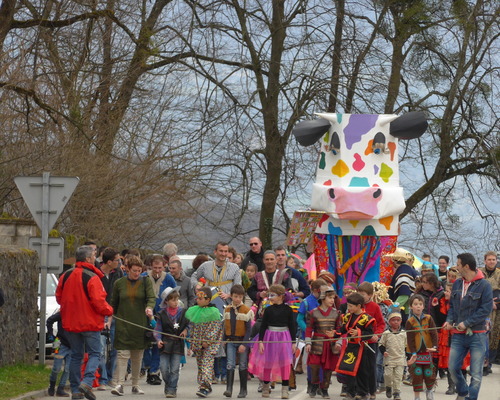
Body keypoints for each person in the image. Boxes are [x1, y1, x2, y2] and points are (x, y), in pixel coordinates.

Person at [55, 245, 114, 400]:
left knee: (76, 355)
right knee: (95, 353)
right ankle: (87, 382)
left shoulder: (65, 275)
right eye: (94, 256)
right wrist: (109, 311)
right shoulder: (92, 277)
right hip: (89, 322)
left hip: (71, 322)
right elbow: (99, 302)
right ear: (88, 259)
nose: (95, 258)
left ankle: (76, 389)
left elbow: (59, 298)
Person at [442, 253, 493, 400]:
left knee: (476, 374)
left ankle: (471, 398)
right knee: (452, 368)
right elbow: (452, 306)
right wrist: (449, 320)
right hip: (458, 334)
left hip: (477, 334)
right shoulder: (458, 283)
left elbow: (485, 310)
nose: (456, 267)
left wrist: (467, 323)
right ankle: (463, 391)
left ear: (466, 266)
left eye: (458, 264)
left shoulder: (485, 285)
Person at [110, 255, 156, 396]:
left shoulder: (145, 281)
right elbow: (113, 304)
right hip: (123, 324)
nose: (137, 273)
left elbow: (151, 298)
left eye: (139, 271)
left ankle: (135, 385)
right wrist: (109, 320)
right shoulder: (119, 283)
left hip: (140, 324)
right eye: (134, 270)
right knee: (122, 355)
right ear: (128, 269)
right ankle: (120, 384)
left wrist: (149, 308)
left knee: (137, 356)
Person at [248, 284, 296, 399]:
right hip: (269, 337)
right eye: (269, 295)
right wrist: (260, 341)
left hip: (284, 337)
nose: (270, 297)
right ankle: (266, 386)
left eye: (272, 295)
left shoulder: (288, 310)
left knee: (284, 363)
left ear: (281, 296)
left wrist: (293, 342)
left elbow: (292, 326)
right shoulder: (268, 310)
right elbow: (263, 326)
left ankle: (285, 389)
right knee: (267, 362)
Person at [335, 292, 375, 400]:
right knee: (349, 370)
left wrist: (358, 333)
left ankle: (363, 393)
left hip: (362, 348)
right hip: (350, 347)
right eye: (348, 305)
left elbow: (370, 334)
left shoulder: (367, 318)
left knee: (362, 371)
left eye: (351, 306)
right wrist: (334, 334)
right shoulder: (348, 316)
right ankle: (350, 393)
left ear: (358, 306)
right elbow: (343, 330)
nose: (348, 308)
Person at [186, 286, 223, 398]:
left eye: (201, 298)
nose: (198, 300)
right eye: (197, 298)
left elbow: (215, 328)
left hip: (209, 345)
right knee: (201, 365)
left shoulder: (214, 312)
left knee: (207, 363)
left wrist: (208, 340)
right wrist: (192, 342)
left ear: (208, 300)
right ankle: (205, 384)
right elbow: (193, 328)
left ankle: (205, 387)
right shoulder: (195, 311)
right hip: (198, 344)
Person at [304, 286, 341, 399]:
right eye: (330, 297)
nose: (332, 300)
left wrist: (338, 341)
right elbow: (309, 329)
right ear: (323, 298)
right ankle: (314, 386)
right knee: (314, 366)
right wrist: (308, 343)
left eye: (333, 298)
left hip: (330, 344)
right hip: (317, 343)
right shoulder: (313, 313)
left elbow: (339, 330)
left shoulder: (336, 313)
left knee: (328, 368)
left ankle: (324, 389)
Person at [154, 287, 189, 398]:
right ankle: (169, 385)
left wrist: (185, 330)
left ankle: (172, 389)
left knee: (174, 369)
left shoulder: (183, 313)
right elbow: (157, 329)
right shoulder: (161, 314)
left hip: (178, 344)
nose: (176, 302)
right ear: (166, 301)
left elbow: (189, 325)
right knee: (164, 368)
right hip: (165, 344)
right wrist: (158, 340)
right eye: (173, 300)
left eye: (177, 299)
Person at [223, 284, 254, 398]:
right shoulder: (227, 309)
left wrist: (244, 344)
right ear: (231, 296)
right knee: (230, 364)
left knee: (242, 365)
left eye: (240, 297)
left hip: (241, 341)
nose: (237, 299)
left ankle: (243, 390)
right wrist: (224, 339)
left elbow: (249, 330)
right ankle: (229, 389)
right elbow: (225, 326)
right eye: (235, 296)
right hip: (230, 341)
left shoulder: (246, 310)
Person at [99, 247, 124, 389]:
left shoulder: (118, 273)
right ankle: (102, 378)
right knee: (101, 348)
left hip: (115, 314)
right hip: (100, 315)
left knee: (115, 348)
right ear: (109, 262)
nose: (119, 262)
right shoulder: (96, 274)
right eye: (117, 260)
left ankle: (110, 377)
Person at [405, 294, 438, 400]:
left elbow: (434, 333)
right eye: (415, 304)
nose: (418, 306)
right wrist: (413, 352)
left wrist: (435, 346)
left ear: (423, 306)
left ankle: (429, 391)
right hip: (416, 354)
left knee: (429, 374)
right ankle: (417, 397)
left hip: (427, 352)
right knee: (417, 375)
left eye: (420, 304)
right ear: (411, 306)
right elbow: (409, 339)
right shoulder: (410, 322)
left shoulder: (428, 318)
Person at [357, 282, 386, 399]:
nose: (361, 296)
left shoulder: (375, 307)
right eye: (359, 293)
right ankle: (361, 392)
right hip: (358, 342)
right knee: (359, 366)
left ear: (370, 295)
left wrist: (377, 335)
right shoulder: (357, 306)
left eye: (363, 294)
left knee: (371, 367)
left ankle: (372, 390)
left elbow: (381, 324)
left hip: (371, 343)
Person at [479, 250, 500, 375]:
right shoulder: (479, 273)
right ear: (485, 261)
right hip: (482, 308)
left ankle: (489, 362)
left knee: (494, 336)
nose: (491, 261)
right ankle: (483, 364)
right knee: (483, 335)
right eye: (489, 259)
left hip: (497, 309)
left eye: (493, 259)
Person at [379, 312, 406, 400]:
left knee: (398, 376)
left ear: (401, 321)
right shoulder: (386, 333)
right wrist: (384, 352)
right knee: (388, 375)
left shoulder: (403, 333)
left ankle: (396, 392)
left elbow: (407, 346)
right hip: (389, 358)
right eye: (393, 320)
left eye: (398, 320)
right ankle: (388, 387)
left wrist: (409, 356)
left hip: (400, 358)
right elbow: (381, 344)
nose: (395, 322)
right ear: (389, 322)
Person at [388, 248, 419, 323]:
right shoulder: (411, 271)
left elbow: (404, 295)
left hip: (407, 313)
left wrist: (391, 310)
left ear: (395, 261)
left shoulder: (403, 272)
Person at [46, 311, 71, 397]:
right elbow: (49, 320)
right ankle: (52, 386)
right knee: (56, 368)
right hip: (60, 344)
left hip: (73, 346)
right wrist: (50, 333)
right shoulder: (63, 313)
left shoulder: (79, 313)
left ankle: (61, 388)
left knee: (68, 369)